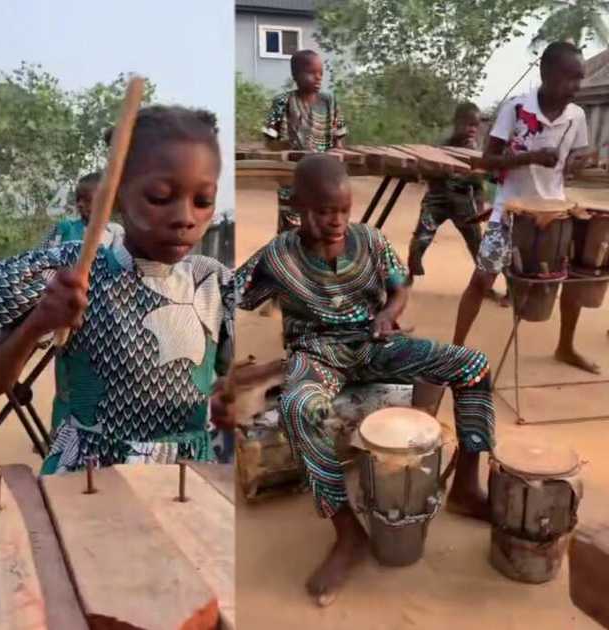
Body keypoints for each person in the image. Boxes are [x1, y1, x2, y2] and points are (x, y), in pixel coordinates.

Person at [236, 155, 495, 605]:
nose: (335, 221)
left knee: (472, 365)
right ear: (297, 207)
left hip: (375, 344)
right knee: (299, 408)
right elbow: (224, 296)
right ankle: (347, 532)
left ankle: (468, 487)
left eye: (342, 209)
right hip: (316, 354)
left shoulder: (370, 241)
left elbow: (400, 285)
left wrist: (389, 314)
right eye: (322, 212)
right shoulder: (277, 256)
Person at [0, 105, 237, 474]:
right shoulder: (76, 271)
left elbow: (241, 383)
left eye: (203, 201)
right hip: (85, 476)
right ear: (116, 195)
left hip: (186, 480)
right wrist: (39, 320)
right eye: (159, 196)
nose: (185, 217)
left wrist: (233, 398)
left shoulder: (213, 284)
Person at [452, 41, 595, 373]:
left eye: (580, 78)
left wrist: (578, 162)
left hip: (555, 214)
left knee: (573, 278)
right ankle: (455, 350)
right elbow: (486, 162)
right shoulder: (516, 110)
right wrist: (530, 157)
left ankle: (565, 346)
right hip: (510, 214)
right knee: (481, 280)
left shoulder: (577, 116)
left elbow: (580, 155)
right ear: (546, 73)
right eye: (570, 77)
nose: (576, 87)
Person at [407, 102, 507, 306]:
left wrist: (479, 202)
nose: (472, 129)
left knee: (478, 246)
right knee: (421, 238)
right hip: (437, 200)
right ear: (456, 123)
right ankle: (409, 275)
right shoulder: (442, 145)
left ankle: (485, 287)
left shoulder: (477, 150)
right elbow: (427, 173)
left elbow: (479, 182)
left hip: (463, 202)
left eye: (475, 125)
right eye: (468, 124)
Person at [262, 49, 347, 234]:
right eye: (311, 73)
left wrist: (335, 159)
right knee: (290, 230)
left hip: (323, 175)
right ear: (296, 75)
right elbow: (269, 140)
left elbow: (339, 139)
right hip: (292, 174)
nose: (317, 78)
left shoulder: (329, 101)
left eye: (320, 74)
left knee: (322, 225)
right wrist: (289, 150)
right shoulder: (283, 101)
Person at [42, 171, 125, 248]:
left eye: (87, 200)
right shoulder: (63, 227)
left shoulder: (116, 231)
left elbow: (120, 262)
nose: (80, 204)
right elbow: (41, 257)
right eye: (78, 199)